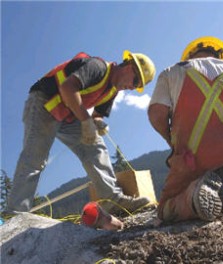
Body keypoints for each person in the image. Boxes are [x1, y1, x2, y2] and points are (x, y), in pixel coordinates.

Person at [6, 50, 156, 216]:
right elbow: (67, 88)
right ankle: (15, 213)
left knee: (95, 146)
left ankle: (112, 201)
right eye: (136, 81)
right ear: (128, 66)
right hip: (44, 102)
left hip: (68, 114)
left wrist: (97, 123)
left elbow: (97, 115)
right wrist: (85, 121)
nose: (132, 88)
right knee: (34, 158)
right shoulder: (97, 67)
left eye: (137, 87)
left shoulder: (112, 91)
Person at [148, 36, 223, 223]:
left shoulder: (172, 72)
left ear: (189, 55)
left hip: (193, 157)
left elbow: (156, 114)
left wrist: (171, 140)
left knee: (165, 209)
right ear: (220, 54)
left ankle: (193, 197)